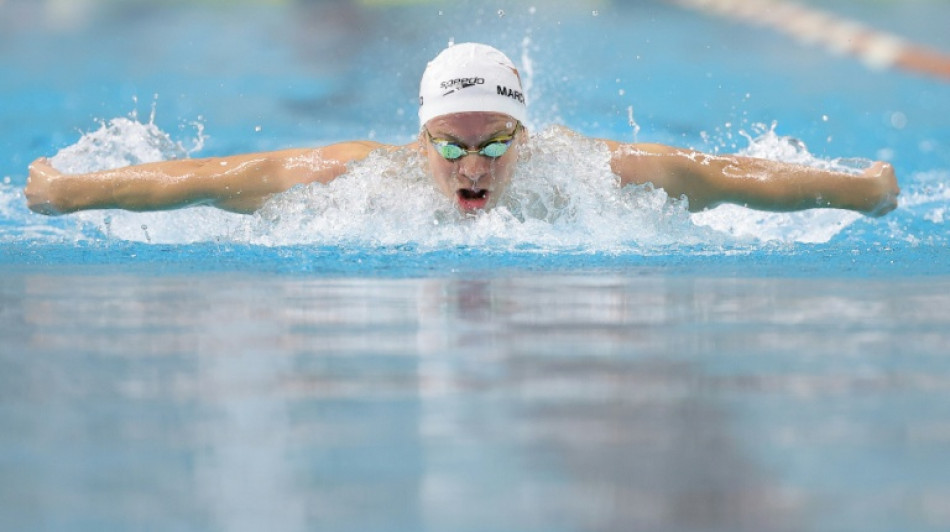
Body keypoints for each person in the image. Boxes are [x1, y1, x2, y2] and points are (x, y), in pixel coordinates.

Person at [25, 43, 899, 217]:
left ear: (528, 136)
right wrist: (68, 192)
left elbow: (732, 177)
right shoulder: (363, 178)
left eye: (492, 143)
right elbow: (206, 177)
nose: (471, 164)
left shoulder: (594, 174)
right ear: (421, 140)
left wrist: (864, 188)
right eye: (450, 143)